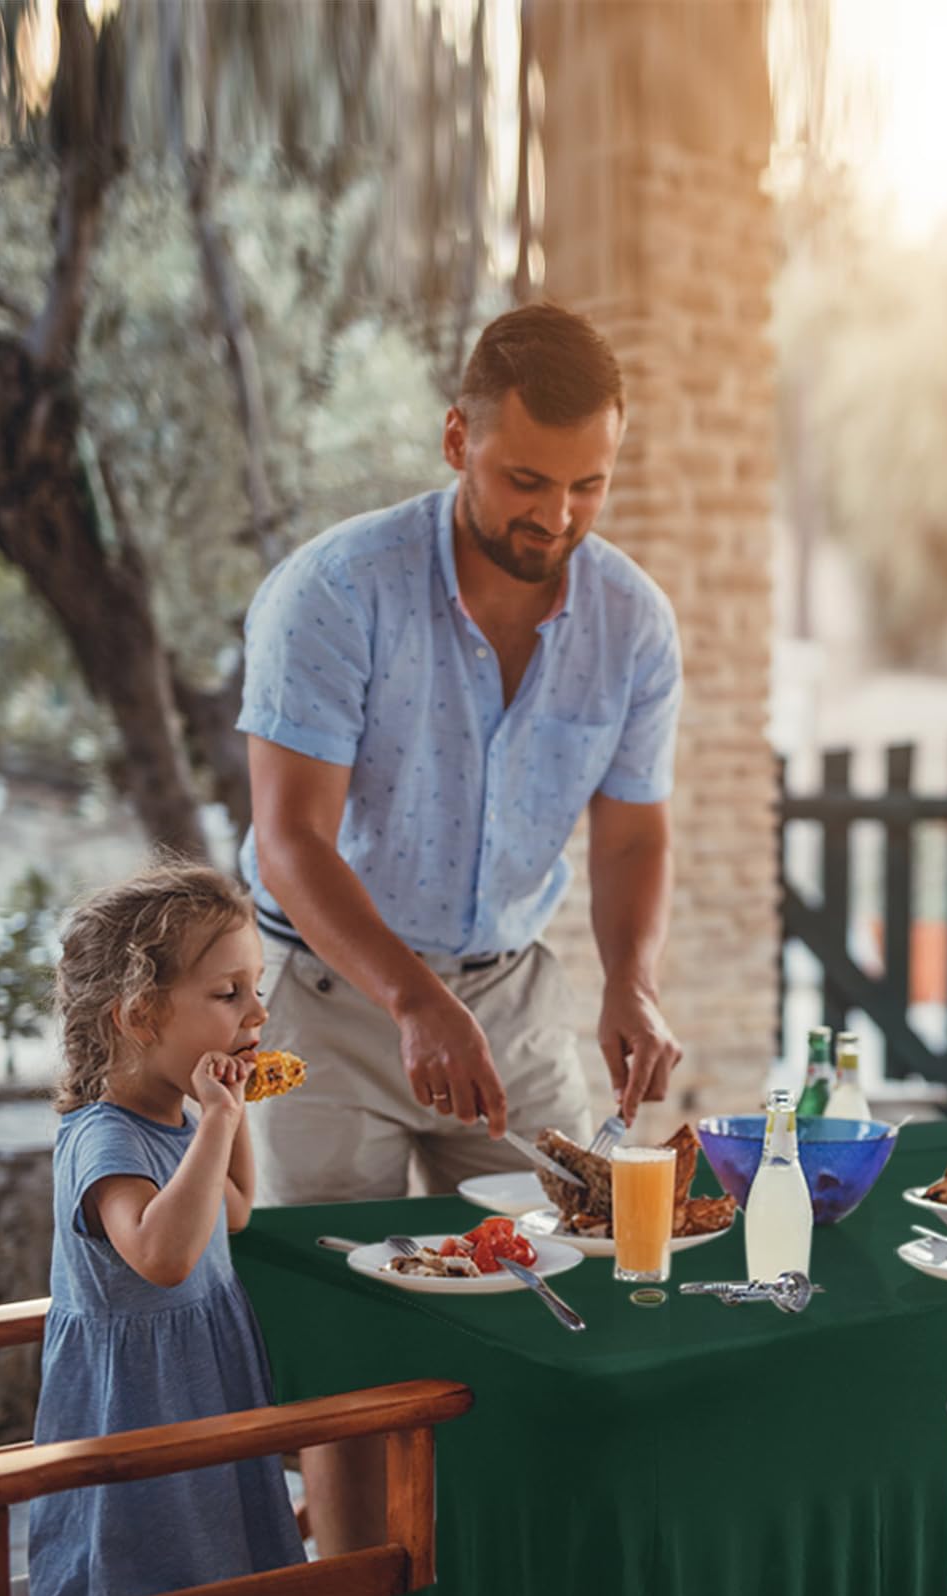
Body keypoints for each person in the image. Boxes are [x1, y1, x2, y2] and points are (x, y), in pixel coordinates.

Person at [236, 300, 684, 1211]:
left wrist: (630, 986)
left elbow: (633, 838)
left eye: (588, 485)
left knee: (561, 1273)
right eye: (526, 479)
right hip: (320, 1008)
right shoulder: (333, 593)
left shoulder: (634, 623)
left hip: (510, 1006)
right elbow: (290, 842)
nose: (557, 517)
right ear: (456, 439)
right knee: (334, 1309)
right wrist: (412, 1002)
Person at [28, 863, 305, 1596]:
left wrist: (227, 1113)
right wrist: (216, 1117)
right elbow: (163, 1255)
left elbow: (237, 1205)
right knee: (146, 1563)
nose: (257, 1014)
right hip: (138, 1406)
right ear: (139, 1015)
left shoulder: (181, 1120)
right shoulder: (103, 1139)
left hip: (205, 1382)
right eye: (227, 994)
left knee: (220, 1551)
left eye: (257, 989)